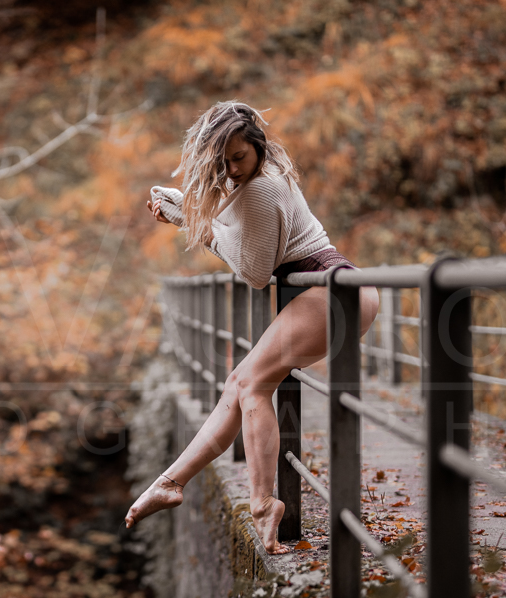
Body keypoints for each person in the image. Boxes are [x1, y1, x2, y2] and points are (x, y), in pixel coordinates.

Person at [125, 101, 380, 554]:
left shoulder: (261, 189)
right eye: (220, 163)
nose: (231, 170)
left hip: (336, 292)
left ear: (256, 147)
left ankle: (264, 504)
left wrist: (195, 223)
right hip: (330, 291)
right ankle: (169, 482)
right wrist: (188, 210)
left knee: (252, 386)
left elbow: (255, 272)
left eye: (238, 158)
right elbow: (234, 232)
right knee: (238, 384)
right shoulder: (249, 179)